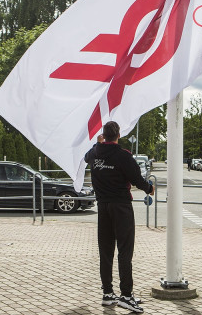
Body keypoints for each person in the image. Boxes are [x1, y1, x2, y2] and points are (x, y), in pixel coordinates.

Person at [87, 121, 153, 313]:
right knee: (125, 250)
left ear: (103, 135)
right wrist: (150, 188)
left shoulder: (95, 154)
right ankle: (126, 295)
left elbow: (85, 157)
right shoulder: (123, 156)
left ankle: (108, 293)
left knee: (106, 251)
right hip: (121, 207)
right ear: (118, 135)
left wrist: (97, 144)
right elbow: (136, 179)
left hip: (103, 207)